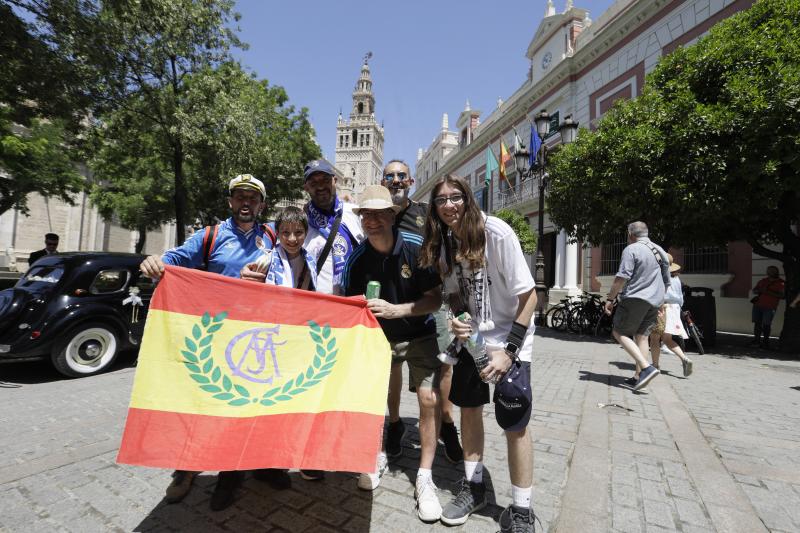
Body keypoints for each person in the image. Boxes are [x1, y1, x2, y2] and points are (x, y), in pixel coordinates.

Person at [139, 173, 285, 511]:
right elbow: (173, 260)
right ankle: (188, 469)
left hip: (258, 339)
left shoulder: (274, 236)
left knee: (255, 406)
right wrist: (155, 262)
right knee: (205, 406)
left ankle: (256, 465)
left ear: (262, 204)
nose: (246, 202)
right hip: (215, 339)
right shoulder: (210, 236)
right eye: (240, 196)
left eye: (253, 197)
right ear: (230, 201)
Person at [419, 174, 538, 532]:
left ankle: (521, 510)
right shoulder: (445, 242)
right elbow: (455, 294)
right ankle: (474, 487)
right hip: (472, 342)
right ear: (434, 209)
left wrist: (510, 352)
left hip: (510, 342)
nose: (450, 205)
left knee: (514, 423)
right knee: (469, 411)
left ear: (468, 199)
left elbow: (529, 297)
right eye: (441, 200)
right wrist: (458, 319)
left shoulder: (496, 233)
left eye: (456, 197)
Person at [342, 185, 444, 521]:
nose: (371, 220)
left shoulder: (415, 249)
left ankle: (425, 477)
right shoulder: (356, 260)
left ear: (391, 215)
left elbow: (435, 298)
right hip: (379, 339)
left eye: (377, 213)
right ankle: (376, 455)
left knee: (429, 400)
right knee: (375, 399)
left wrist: (396, 310)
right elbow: (348, 305)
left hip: (419, 332)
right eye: (365, 214)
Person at [381, 159, 463, 464]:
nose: (396, 181)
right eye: (390, 177)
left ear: (411, 181)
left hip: (432, 303)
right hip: (391, 307)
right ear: (383, 182)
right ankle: (394, 423)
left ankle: (447, 422)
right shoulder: (379, 214)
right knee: (392, 370)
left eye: (401, 176)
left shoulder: (425, 214)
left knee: (444, 366)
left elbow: (448, 241)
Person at [604, 221, 669, 391]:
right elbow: (666, 280)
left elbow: (621, 277)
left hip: (635, 299)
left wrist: (610, 299)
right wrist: (661, 302)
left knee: (618, 331)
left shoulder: (631, 249)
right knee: (642, 337)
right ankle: (638, 377)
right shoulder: (660, 251)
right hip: (654, 301)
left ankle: (646, 368)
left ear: (630, 234)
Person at [649, 255, 693, 377]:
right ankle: (684, 359)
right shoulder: (676, 278)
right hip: (675, 309)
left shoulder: (660, 276)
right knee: (667, 339)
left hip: (663, 307)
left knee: (654, 338)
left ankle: (655, 366)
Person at [750, 265, 785, 349]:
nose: (769, 272)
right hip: (758, 305)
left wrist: (768, 292)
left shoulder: (781, 283)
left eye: (772, 271)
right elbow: (754, 290)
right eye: (768, 270)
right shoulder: (763, 281)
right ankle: (756, 340)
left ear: (776, 272)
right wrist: (758, 291)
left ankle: (766, 342)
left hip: (770, 307)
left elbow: (782, 296)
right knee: (757, 323)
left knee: (766, 324)